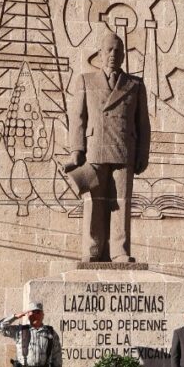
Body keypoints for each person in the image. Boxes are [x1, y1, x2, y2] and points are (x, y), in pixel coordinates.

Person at [63, 30, 150, 263]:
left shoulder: (135, 84)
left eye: (118, 51)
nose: (113, 54)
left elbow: (143, 123)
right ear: (101, 54)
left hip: (124, 150)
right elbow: (78, 118)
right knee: (94, 201)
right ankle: (92, 249)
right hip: (95, 150)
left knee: (121, 202)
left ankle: (120, 251)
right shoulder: (86, 80)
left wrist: (143, 153)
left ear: (123, 56)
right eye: (109, 50)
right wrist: (76, 151)